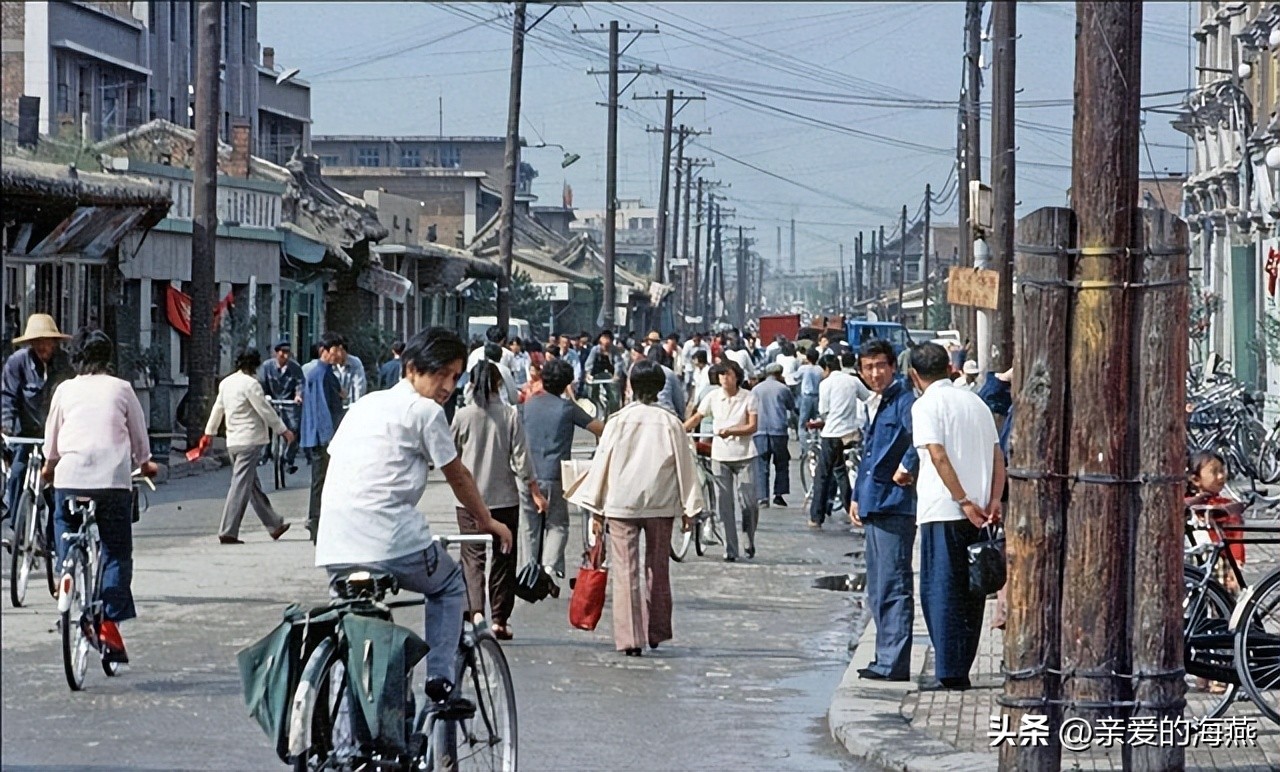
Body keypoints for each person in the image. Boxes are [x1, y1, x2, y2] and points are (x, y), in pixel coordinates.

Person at [316, 327, 513, 706]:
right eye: (440, 373)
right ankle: (441, 679)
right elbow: (458, 475)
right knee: (450, 585)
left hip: (335, 545)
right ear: (411, 369)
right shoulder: (425, 412)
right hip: (391, 540)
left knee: (356, 631)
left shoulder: (364, 405)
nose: (447, 385)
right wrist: (487, 521)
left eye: (454, 377)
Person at [567, 360, 704, 656]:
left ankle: (630, 638)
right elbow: (685, 465)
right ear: (659, 388)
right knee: (658, 568)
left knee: (625, 570)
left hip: (621, 504)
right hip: (660, 503)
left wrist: (596, 509)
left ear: (630, 386)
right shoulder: (670, 423)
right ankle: (656, 631)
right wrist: (690, 508)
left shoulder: (617, 421)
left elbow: (602, 463)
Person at [42, 330, 158, 664]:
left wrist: (50, 468)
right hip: (112, 483)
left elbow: (52, 440)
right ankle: (109, 620)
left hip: (70, 478)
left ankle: (67, 567)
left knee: (63, 522)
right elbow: (139, 437)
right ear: (108, 358)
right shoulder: (121, 388)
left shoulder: (64, 390)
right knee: (117, 551)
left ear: (76, 359)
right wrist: (145, 464)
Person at [908, 342, 1004, 691]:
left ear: (914, 375)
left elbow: (937, 455)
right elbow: (997, 457)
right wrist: (993, 501)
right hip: (980, 513)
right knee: (971, 592)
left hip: (945, 510)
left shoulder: (925, 406)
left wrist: (962, 499)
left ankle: (949, 671)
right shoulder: (976, 402)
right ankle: (960, 667)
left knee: (940, 590)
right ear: (950, 367)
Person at [452, 360, 547, 640]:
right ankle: (500, 619)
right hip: (504, 499)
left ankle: (475, 611)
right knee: (504, 558)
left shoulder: (462, 416)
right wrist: (535, 492)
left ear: (470, 384)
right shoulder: (509, 415)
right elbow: (522, 460)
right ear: (497, 385)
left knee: (472, 558)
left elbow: (448, 454)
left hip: (468, 501)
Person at [848, 339, 918, 682]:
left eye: (880, 366)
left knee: (893, 584)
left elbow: (922, 440)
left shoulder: (905, 401)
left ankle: (893, 661)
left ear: (893, 367)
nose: (875, 373)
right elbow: (869, 456)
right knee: (877, 586)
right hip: (875, 503)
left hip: (895, 504)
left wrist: (908, 466)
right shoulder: (877, 404)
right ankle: (883, 656)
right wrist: (857, 497)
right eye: (868, 367)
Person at [519, 359, 604, 576]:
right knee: (557, 525)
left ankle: (529, 570)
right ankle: (548, 567)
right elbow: (599, 428)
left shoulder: (525, 407)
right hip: (555, 475)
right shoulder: (568, 408)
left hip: (527, 474)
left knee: (530, 527)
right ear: (567, 384)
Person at [204, 348, 295, 545]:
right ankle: (228, 530)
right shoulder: (251, 384)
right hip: (250, 440)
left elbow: (217, 409)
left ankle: (274, 524)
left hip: (233, 441)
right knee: (241, 485)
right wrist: (283, 430)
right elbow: (265, 410)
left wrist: (209, 433)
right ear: (255, 365)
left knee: (251, 485)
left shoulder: (226, 383)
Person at [2, 313, 73, 546]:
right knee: (17, 474)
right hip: (26, 433)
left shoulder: (64, 364)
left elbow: (71, 401)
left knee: (55, 486)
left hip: (55, 435)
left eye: (47, 341)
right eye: (38, 341)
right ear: (31, 343)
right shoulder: (17, 363)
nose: (43, 346)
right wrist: (7, 428)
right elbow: (8, 397)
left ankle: (53, 538)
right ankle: (15, 527)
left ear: (55, 342)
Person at [683, 361, 759, 562]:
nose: (724, 379)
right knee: (724, 505)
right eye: (721, 375)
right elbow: (697, 417)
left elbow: (752, 426)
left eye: (728, 375)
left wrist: (731, 431)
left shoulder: (748, 398)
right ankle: (730, 548)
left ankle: (748, 537)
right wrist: (681, 430)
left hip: (745, 455)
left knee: (749, 503)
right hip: (720, 456)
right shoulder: (713, 397)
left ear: (737, 376)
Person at [808, 354, 870, 528]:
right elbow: (868, 398)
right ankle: (852, 509)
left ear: (827, 369)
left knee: (822, 476)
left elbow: (823, 410)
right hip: (850, 432)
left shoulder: (825, 384)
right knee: (841, 472)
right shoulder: (852, 381)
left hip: (832, 434)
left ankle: (816, 516)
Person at [300, 333, 347, 543]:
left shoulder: (317, 373)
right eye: (335, 349)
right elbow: (323, 408)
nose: (339, 354)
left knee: (320, 480)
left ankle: (317, 520)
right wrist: (330, 436)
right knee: (323, 481)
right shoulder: (322, 374)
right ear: (324, 351)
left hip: (316, 434)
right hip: (324, 435)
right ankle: (316, 520)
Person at [1185, 450, 1246, 594]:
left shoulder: (1223, 505)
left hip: (1216, 559)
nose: (1221, 476)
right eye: (1214, 472)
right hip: (1203, 559)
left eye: (1222, 470)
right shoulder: (1192, 503)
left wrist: (1236, 564)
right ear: (1195, 479)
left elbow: (1235, 536)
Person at [752, 364, 796, 508]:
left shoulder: (756, 389)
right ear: (779, 373)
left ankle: (762, 497)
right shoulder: (783, 389)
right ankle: (779, 494)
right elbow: (791, 405)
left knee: (761, 464)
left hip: (760, 430)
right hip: (778, 430)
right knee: (782, 463)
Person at [257, 340, 304, 474]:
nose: (285, 356)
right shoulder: (267, 366)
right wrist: (265, 396)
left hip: (289, 402)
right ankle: (264, 455)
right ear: (276, 353)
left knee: (294, 428)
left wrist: (298, 396)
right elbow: (261, 383)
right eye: (282, 352)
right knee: (265, 425)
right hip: (271, 401)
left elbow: (300, 384)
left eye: (287, 352)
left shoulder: (295, 368)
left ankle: (288, 460)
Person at [626, 344, 685, 419]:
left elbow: (632, 394)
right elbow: (679, 400)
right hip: (667, 413)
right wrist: (681, 417)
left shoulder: (638, 369)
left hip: (637, 412)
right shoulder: (669, 373)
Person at [583, 330, 627, 418]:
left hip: (610, 376)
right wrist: (588, 374)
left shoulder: (614, 350)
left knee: (614, 396)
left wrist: (616, 375)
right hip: (596, 375)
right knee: (592, 394)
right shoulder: (595, 350)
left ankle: (613, 414)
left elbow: (618, 363)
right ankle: (596, 410)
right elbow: (589, 363)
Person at [796, 348, 823, 437]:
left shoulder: (803, 368)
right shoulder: (820, 369)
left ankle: (804, 446)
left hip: (806, 396)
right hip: (817, 396)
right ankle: (815, 440)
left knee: (803, 422)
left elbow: (795, 377)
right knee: (816, 420)